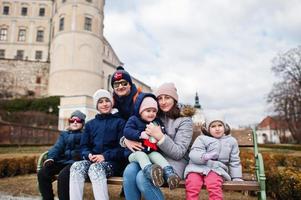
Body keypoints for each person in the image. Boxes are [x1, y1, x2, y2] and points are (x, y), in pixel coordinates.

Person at [122, 82, 194, 200]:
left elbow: (179, 152)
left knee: (142, 177)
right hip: (150, 157)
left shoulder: (184, 120)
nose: (163, 102)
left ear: (174, 99)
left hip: (174, 162)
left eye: (167, 97)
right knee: (130, 171)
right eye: (160, 98)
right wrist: (125, 141)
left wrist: (160, 137)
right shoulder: (153, 113)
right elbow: (134, 128)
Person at [69, 89, 127, 200]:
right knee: (76, 166)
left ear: (111, 103)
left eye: (107, 101)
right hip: (92, 160)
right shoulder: (90, 125)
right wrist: (88, 155)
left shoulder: (120, 122)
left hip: (112, 163)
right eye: (100, 102)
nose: (104, 104)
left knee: (95, 169)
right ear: (96, 105)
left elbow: (122, 149)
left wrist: (104, 156)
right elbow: (84, 147)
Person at [123, 92, 181, 190]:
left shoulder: (156, 121)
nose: (151, 113)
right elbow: (127, 131)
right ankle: (150, 172)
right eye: (148, 110)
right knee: (141, 155)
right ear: (140, 111)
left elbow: (163, 131)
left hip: (151, 151)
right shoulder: (134, 120)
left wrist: (159, 133)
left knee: (157, 156)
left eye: (154, 111)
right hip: (135, 152)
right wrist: (140, 135)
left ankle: (169, 174)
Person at [184, 115, 243, 200]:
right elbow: (194, 153)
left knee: (214, 184)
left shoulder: (231, 141)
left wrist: (236, 177)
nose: (217, 128)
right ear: (208, 129)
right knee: (192, 183)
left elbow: (235, 161)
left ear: (225, 127)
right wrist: (204, 156)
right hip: (197, 167)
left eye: (220, 125)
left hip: (216, 169)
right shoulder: (201, 139)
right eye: (213, 126)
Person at [37, 110, 86, 200]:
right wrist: (50, 158)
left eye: (78, 120)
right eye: (72, 120)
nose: (75, 122)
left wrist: (81, 156)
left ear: (82, 123)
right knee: (43, 173)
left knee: (63, 176)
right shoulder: (64, 134)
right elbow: (57, 147)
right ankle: (48, 198)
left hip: (75, 163)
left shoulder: (85, 134)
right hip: (63, 161)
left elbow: (86, 148)